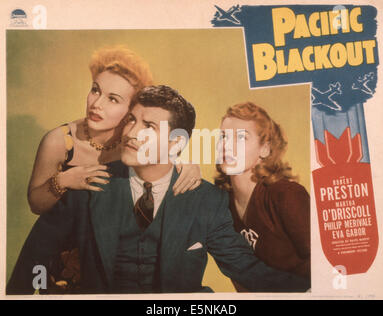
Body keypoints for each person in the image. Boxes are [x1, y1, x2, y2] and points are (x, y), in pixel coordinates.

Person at [7, 85, 310, 294]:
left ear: (176, 143)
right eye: (131, 120)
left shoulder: (207, 201)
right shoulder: (87, 184)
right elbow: (35, 256)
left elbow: (247, 269)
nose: (131, 133)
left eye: (148, 127)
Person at [27, 46, 201, 216]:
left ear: (132, 109)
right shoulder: (59, 141)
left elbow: (162, 162)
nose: (96, 105)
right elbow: (35, 205)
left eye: (113, 99)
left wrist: (188, 166)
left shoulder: (134, 142)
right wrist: (63, 180)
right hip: (60, 237)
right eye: (95, 90)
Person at [215, 102, 311, 291]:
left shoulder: (286, 195)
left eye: (241, 137)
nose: (226, 145)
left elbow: (330, 264)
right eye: (223, 136)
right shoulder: (219, 204)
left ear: (265, 149)